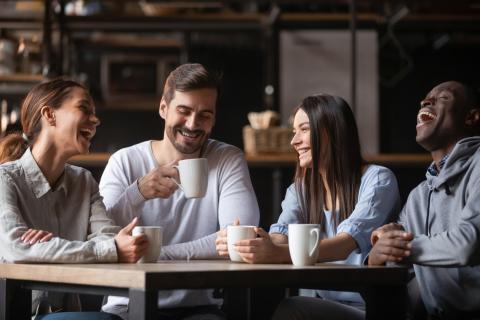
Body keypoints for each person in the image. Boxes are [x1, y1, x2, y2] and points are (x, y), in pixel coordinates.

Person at [216, 93, 401, 319]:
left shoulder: (378, 179)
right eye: (295, 132)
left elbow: (346, 244)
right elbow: (280, 235)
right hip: (323, 304)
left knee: (291, 310)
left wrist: (277, 254)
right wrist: (249, 242)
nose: (294, 141)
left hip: (370, 308)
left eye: (304, 129)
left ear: (334, 132)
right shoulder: (301, 189)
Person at [99, 63, 260, 319]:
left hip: (198, 307)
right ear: (163, 108)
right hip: (126, 305)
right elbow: (102, 237)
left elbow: (239, 239)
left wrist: (158, 255)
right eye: (183, 111)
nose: (193, 124)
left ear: (214, 117)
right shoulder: (125, 161)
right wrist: (137, 193)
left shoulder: (227, 159)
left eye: (205, 115)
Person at [0, 78, 149, 320]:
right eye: (84, 108)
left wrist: (47, 247)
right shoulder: (4, 179)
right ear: (49, 115)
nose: (96, 120)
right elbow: (18, 248)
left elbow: (110, 239)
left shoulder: (84, 182)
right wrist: (105, 250)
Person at [369, 81, 480, 319]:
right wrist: (378, 255)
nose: (425, 102)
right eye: (426, 98)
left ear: (471, 117)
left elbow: (467, 244)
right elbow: (393, 256)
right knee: (296, 308)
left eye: (443, 98)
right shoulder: (419, 195)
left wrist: (401, 247)